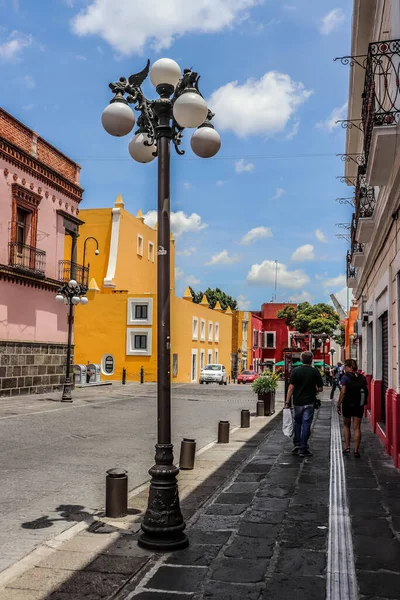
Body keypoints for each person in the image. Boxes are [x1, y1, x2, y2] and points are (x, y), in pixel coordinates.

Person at [285, 351, 323, 458]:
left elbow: (291, 387)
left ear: (301, 360)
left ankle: (297, 444)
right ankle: (303, 447)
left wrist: (287, 401)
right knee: (306, 424)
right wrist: (314, 389)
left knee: (297, 422)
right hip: (309, 402)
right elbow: (320, 388)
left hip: (297, 402)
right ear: (311, 360)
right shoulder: (315, 371)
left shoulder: (295, 371)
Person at [337, 359, 368, 458]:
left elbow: (343, 392)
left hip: (347, 404)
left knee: (346, 425)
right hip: (359, 404)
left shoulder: (345, 378)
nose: (344, 368)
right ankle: (356, 450)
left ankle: (347, 447)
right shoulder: (362, 377)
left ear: (350, 367)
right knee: (357, 427)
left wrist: (338, 404)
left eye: (345, 366)